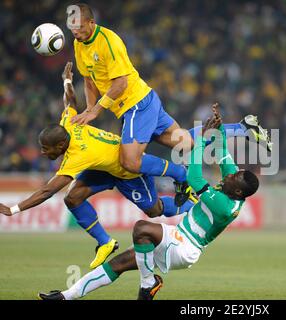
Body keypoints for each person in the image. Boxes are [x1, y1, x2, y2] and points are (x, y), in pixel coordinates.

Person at [38, 103, 260, 300]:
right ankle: (65, 296)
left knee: (141, 229)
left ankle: (148, 283)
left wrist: (201, 139)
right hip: (176, 237)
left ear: (239, 191)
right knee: (119, 263)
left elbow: (194, 178)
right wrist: (218, 128)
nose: (229, 175)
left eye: (233, 177)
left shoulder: (226, 206)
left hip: (185, 247)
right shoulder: (235, 184)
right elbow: (221, 151)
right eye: (233, 173)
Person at [66, 3, 272, 204]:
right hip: (143, 102)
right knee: (185, 143)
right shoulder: (79, 44)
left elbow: (121, 82)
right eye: (72, 28)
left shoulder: (109, 41)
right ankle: (243, 127)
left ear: (91, 23)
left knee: (129, 161)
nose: (76, 32)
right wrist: (89, 109)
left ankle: (179, 174)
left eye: (80, 27)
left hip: (136, 104)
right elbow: (89, 79)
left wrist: (96, 111)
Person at [0, 62, 196, 269]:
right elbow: (70, 101)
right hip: (103, 167)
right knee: (72, 198)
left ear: (60, 145)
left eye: (46, 149)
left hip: (128, 170)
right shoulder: (70, 122)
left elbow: (48, 191)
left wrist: (14, 209)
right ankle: (106, 242)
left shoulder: (77, 156)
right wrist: (66, 80)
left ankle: (195, 204)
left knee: (154, 211)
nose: (42, 152)